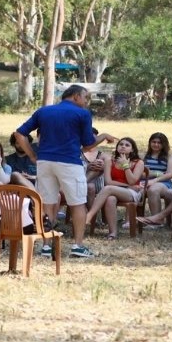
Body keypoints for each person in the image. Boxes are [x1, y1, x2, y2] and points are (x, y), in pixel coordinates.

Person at [14, 84, 117, 258]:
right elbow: (87, 145)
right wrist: (103, 136)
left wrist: (32, 155)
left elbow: (19, 134)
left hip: (45, 162)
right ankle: (77, 246)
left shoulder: (44, 111)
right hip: (69, 163)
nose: (86, 102)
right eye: (85, 98)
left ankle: (46, 246)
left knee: (46, 203)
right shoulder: (82, 114)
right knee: (78, 204)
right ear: (76, 96)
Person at [85, 138, 146, 240]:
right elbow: (108, 182)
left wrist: (125, 165)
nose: (123, 146)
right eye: (121, 144)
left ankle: (89, 216)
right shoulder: (110, 161)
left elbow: (132, 181)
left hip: (132, 193)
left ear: (132, 149)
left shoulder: (138, 163)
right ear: (117, 147)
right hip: (117, 190)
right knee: (110, 198)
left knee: (108, 189)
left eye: (127, 145)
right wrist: (126, 185)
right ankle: (113, 233)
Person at [143, 132, 172, 218]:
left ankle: (156, 220)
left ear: (164, 144)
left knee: (153, 189)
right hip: (144, 181)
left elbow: (170, 174)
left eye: (159, 143)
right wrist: (157, 173)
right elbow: (140, 172)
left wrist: (154, 180)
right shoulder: (144, 156)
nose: (156, 144)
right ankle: (130, 220)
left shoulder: (169, 157)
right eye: (154, 142)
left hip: (164, 183)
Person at [81, 128, 106, 214]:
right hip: (80, 180)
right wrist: (87, 167)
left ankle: (90, 216)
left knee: (99, 164)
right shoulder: (77, 153)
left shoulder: (102, 155)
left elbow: (110, 168)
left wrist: (104, 167)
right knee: (90, 187)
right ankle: (92, 217)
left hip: (98, 184)